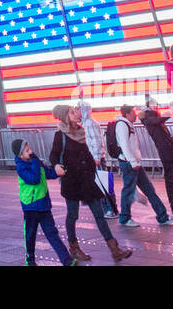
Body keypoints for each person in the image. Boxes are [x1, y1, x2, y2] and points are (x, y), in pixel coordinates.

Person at [50, 105, 131, 263]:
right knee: (72, 215)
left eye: (75, 111)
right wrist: (56, 165)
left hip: (87, 180)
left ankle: (114, 249)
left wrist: (93, 167)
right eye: (72, 112)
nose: (76, 113)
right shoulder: (60, 135)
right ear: (65, 117)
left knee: (99, 214)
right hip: (71, 181)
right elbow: (53, 155)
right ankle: (74, 248)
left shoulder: (80, 131)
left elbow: (85, 153)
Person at [11, 137, 73, 266]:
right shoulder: (21, 167)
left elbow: (47, 173)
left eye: (30, 149)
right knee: (30, 234)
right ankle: (30, 260)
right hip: (31, 207)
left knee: (52, 234)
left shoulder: (35, 161)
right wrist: (35, 161)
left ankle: (67, 260)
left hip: (44, 205)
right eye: (27, 150)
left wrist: (59, 172)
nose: (31, 152)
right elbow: (34, 179)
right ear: (20, 154)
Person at [112, 105, 173, 228]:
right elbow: (124, 146)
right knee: (128, 190)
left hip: (134, 163)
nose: (136, 115)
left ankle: (163, 216)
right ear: (127, 114)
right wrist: (133, 162)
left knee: (149, 190)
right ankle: (125, 218)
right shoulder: (122, 125)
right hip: (129, 163)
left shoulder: (128, 124)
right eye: (133, 113)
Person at [140, 100, 173, 213]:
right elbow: (160, 119)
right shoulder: (149, 119)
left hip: (171, 150)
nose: (156, 106)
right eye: (154, 105)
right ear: (148, 107)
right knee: (170, 179)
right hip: (166, 151)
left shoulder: (154, 118)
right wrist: (172, 110)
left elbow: (160, 119)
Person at [77, 101, 116, 216]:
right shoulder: (84, 123)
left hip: (95, 158)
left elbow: (97, 141)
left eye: (79, 109)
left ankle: (110, 209)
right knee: (99, 184)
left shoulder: (90, 124)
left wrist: (97, 157)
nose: (77, 111)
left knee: (103, 183)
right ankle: (106, 209)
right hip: (91, 158)